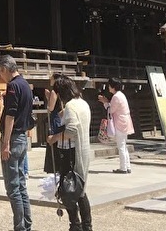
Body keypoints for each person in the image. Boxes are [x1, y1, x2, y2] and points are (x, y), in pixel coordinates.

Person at [47, 75, 92, 231]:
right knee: (81, 189)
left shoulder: (71, 106)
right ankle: (87, 225)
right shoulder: (83, 103)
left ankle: (75, 224)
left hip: (71, 152)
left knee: (69, 189)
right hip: (83, 150)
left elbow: (72, 130)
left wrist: (55, 138)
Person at [0, 54, 33, 231]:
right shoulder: (25, 85)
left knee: (12, 187)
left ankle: (20, 227)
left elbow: (10, 116)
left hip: (13, 137)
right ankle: (27, 224)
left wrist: (6, 143)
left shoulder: (12, 86)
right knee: (21, 184)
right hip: (22, 136)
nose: (0, 76)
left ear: (4, 69)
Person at [100, 78, 135, 173]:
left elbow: (110, 110)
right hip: (124, 121)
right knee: (124, 145)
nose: (108, 88)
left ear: (112, 86)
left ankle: (123, 168)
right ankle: (127, 166)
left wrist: (105, 102)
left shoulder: (116, 97)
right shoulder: (121, 95)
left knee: (121, 146)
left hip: (120, 122)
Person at [43, 73, 64, 176]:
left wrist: (48, 98)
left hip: (55, 117)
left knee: (53, 141)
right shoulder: (63, 91)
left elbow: (50, 108)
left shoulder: (54, 92)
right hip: (60, 117)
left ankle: (54, 167)